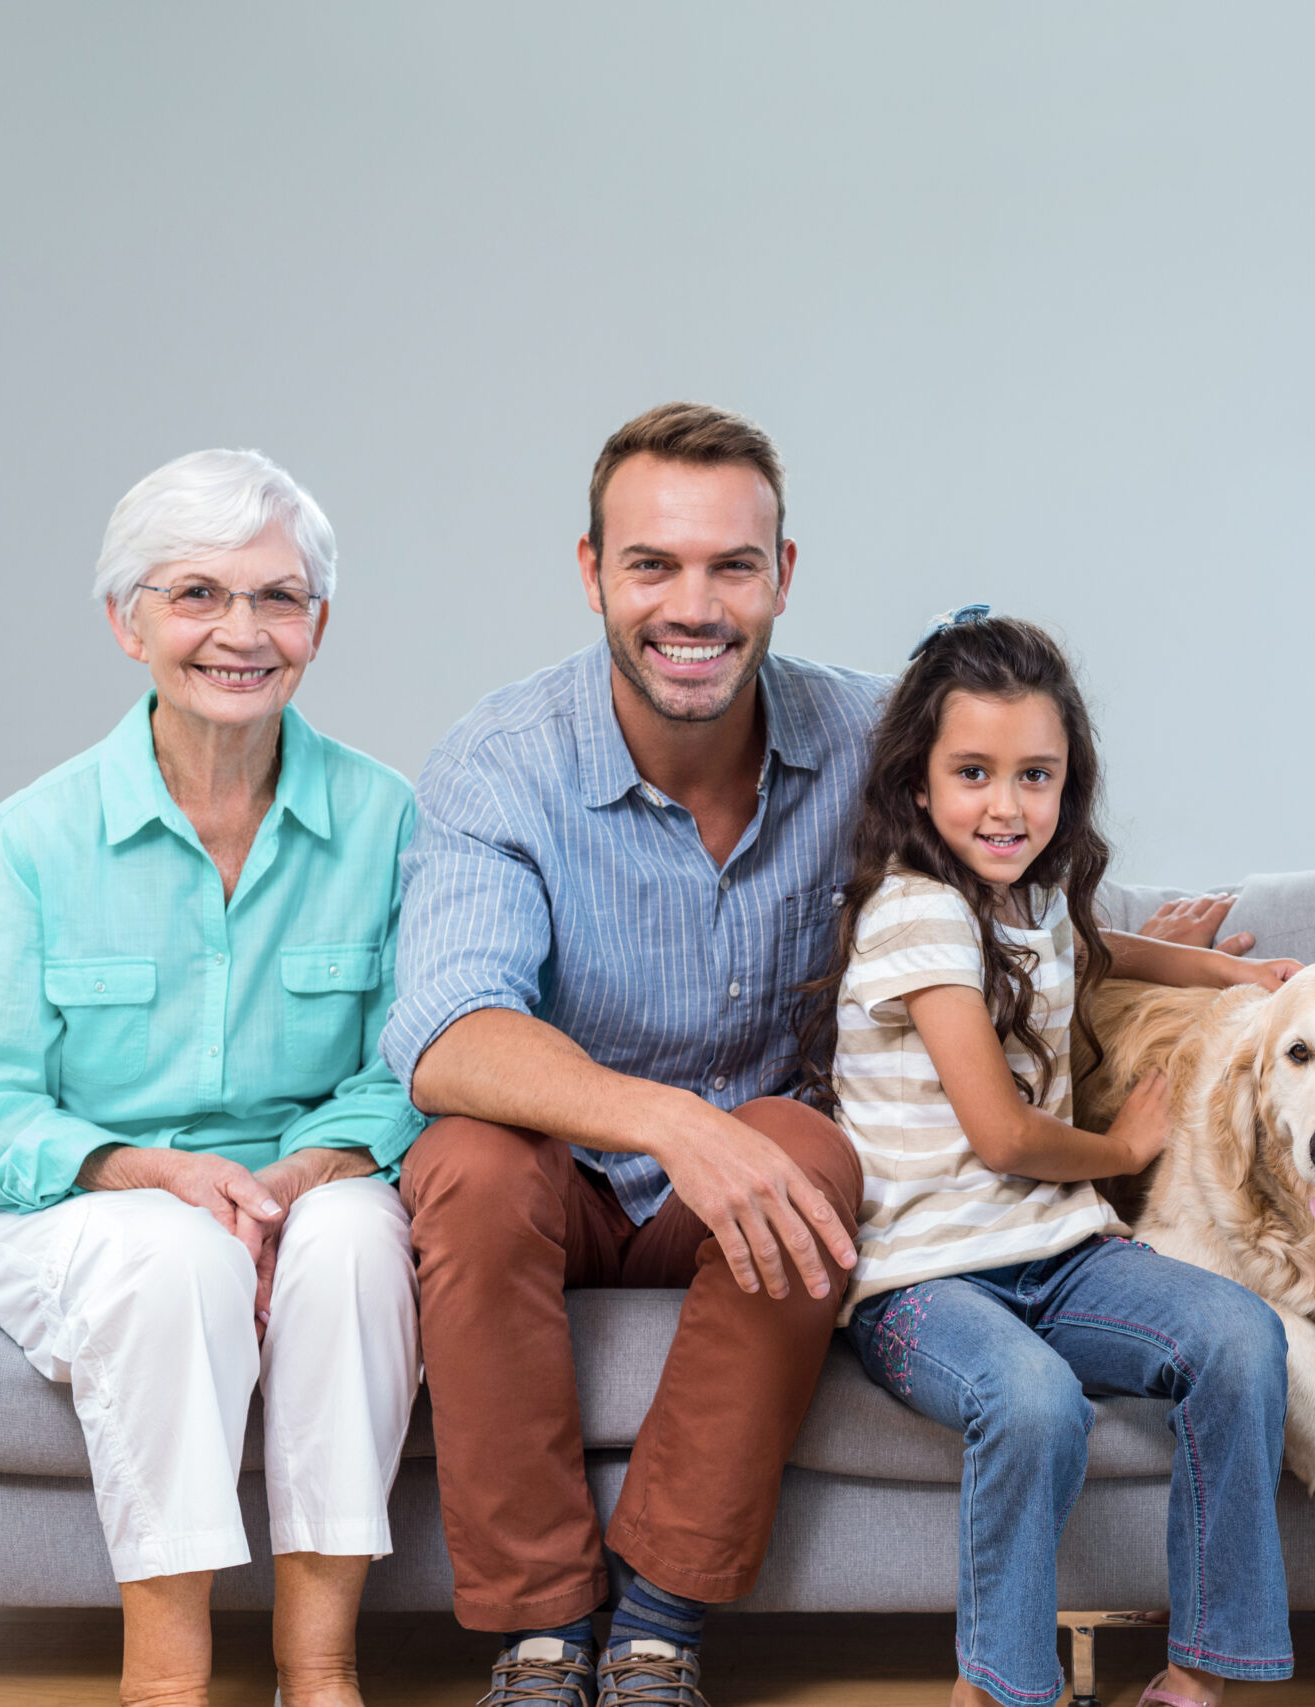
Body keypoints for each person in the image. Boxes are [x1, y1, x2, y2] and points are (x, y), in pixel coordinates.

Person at [381, 403, 878, 1707]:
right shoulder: (501, 761)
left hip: (750, 1184)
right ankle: (543, 1627)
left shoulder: (874, 746)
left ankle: (659, 1618)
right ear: (593, 572)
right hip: (568, 1175)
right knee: (466, 1161)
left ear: (784, 575)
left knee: (809, 1148)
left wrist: (1215, 966)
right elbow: (447, 1031)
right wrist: (672, 1120)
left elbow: (1032, 894)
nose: (693, 603)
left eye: (731, 564)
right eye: (653, 563)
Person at [0, 450, 422, 1707]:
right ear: (130, 621)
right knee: (177, 1255)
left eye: (279, 597)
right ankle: (165, 1680)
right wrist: (148, 1173)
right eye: (198, 594)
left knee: (361, 1249)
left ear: (318, 624)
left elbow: (410, 1067)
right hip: (77, 1205)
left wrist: (297, 1175)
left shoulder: (390, 820)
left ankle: (319, 1669)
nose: (242, 632)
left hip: (308, 1179)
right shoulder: (36, 836)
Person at [801, 610, 1300, 1707]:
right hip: (920, 1281)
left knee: (1238, 1337)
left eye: (1036, 776)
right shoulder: (917, 912)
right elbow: (1000, 1132)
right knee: (1031, 1401)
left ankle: (1196, 1679)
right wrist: (1124, 1145)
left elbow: (1098, 945)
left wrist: (1223, 977)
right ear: (919, 783)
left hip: (1057, 1254)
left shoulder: (1029, 898)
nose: (1005, 805)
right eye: (972, 772)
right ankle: (1002, 1690)